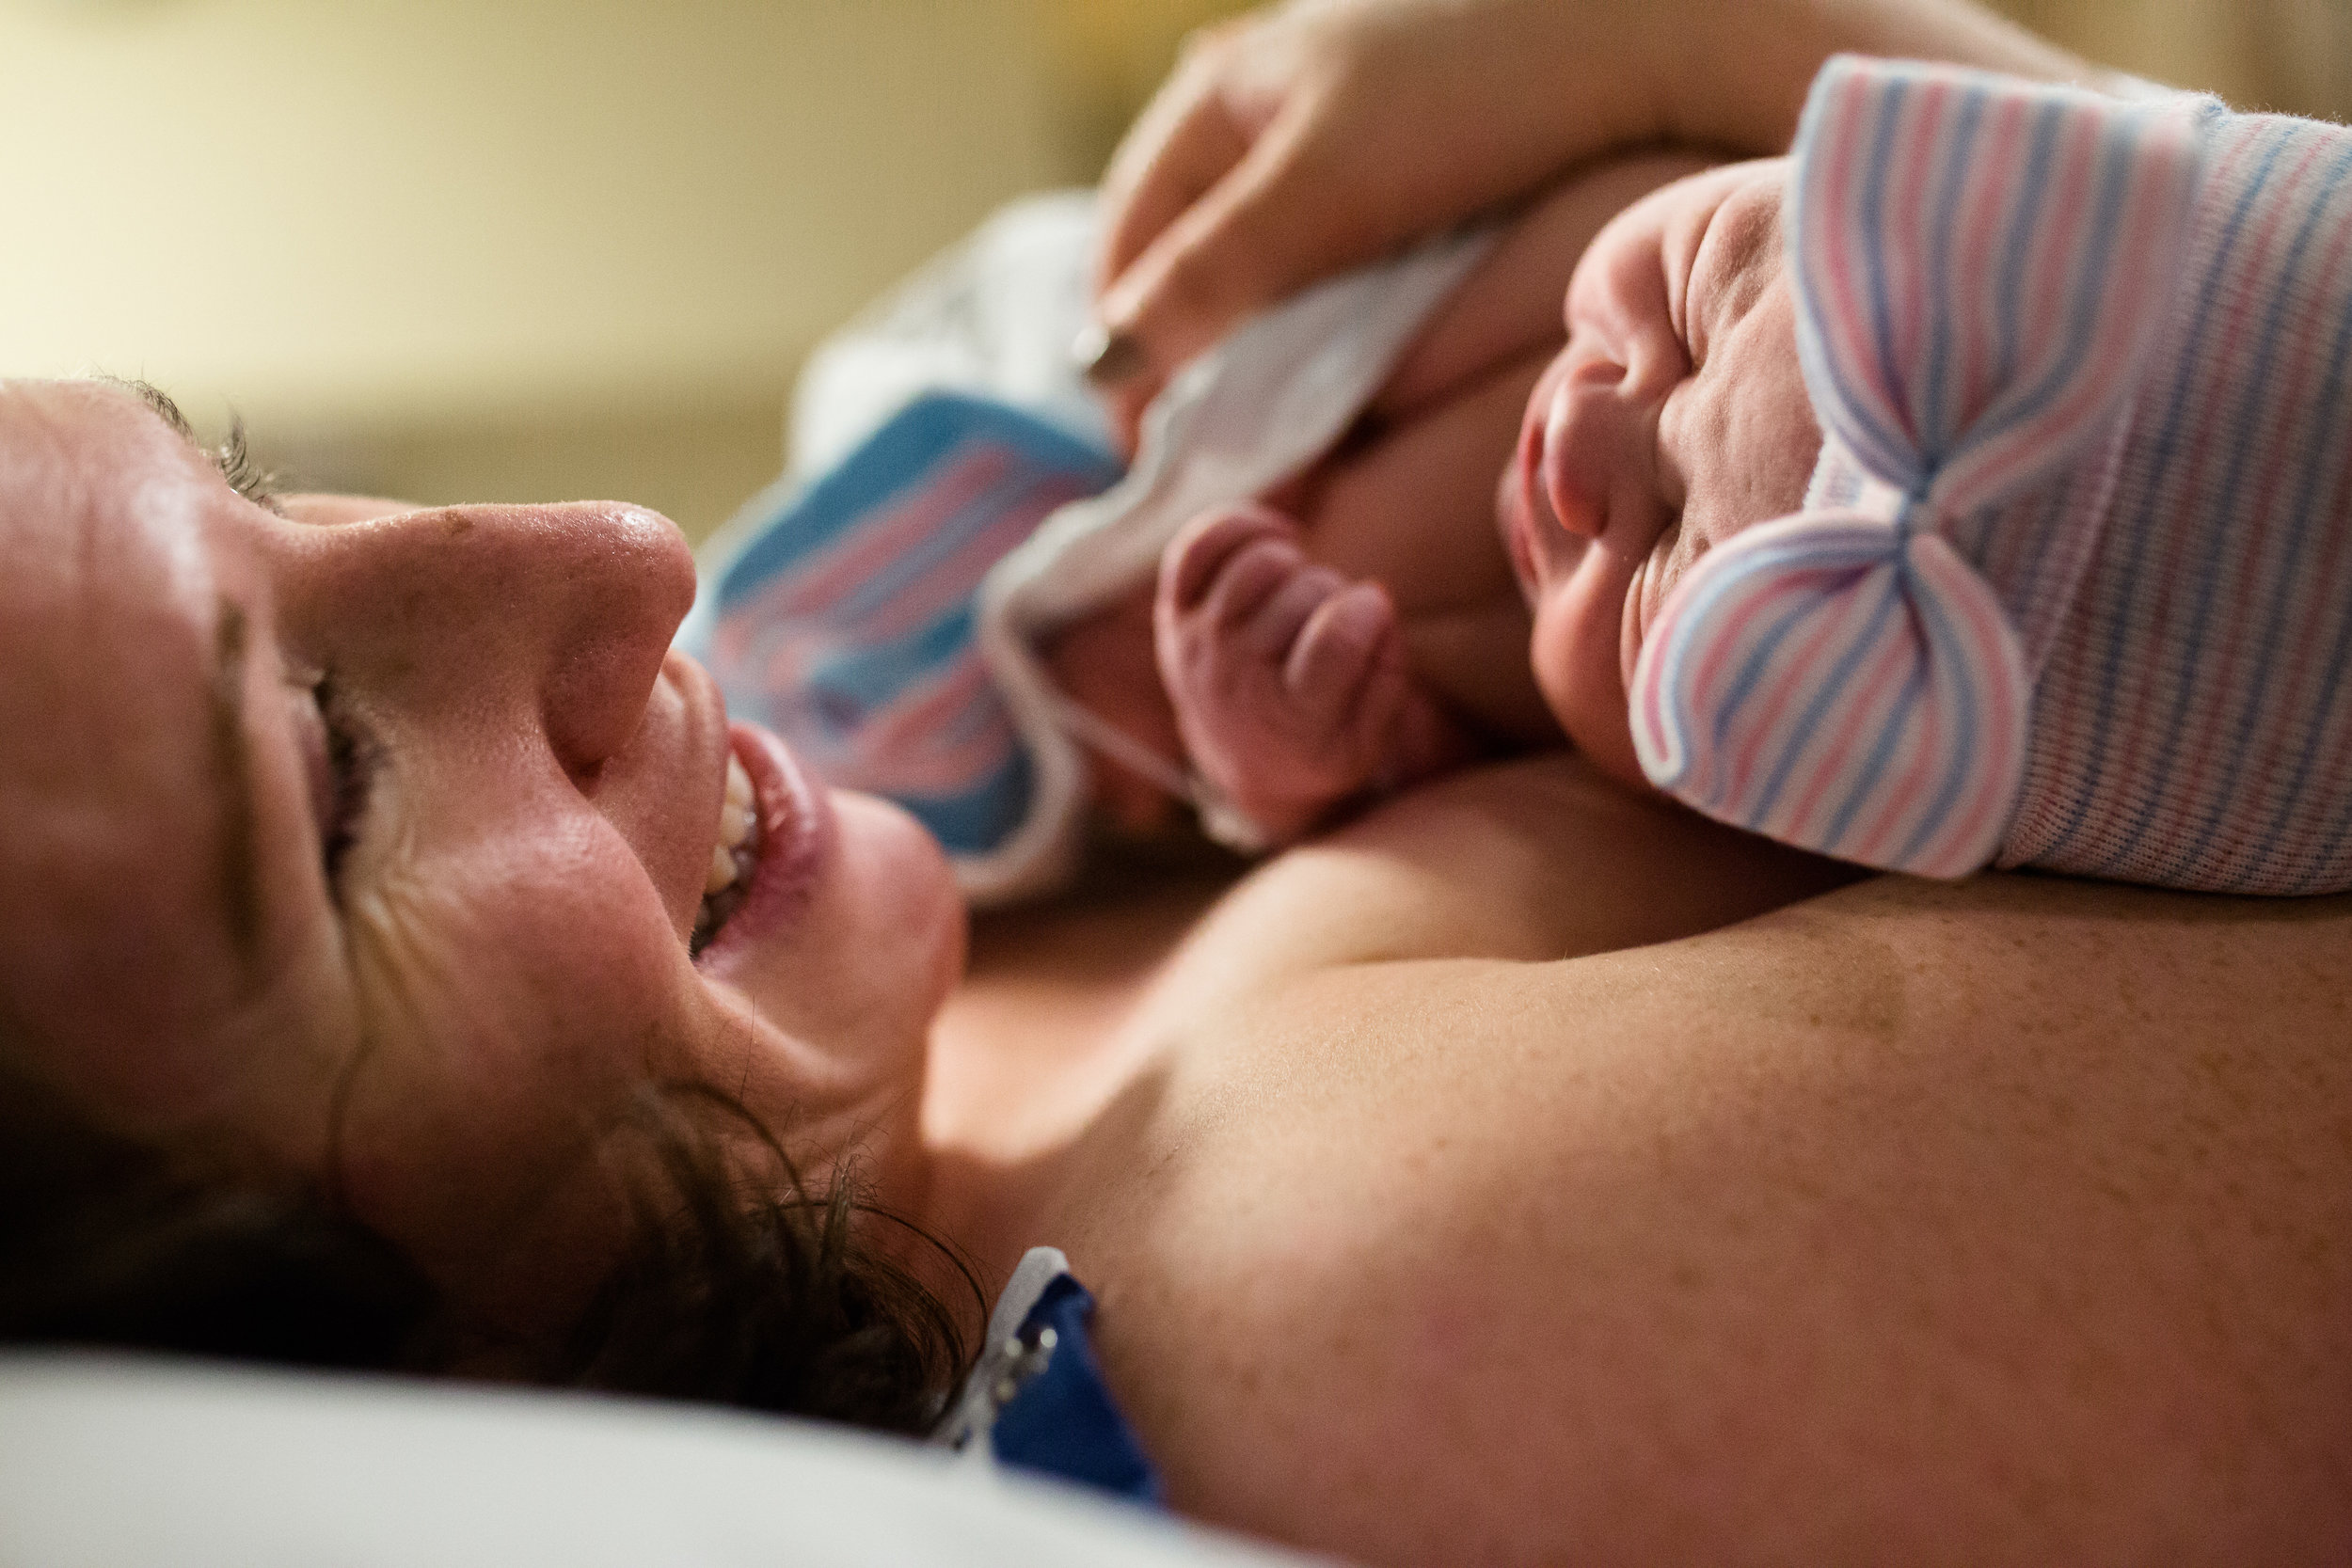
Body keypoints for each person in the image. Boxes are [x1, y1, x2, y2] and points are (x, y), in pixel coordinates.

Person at [0, 3, 2345, 1563]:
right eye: (330, 785)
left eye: (251, 476)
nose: (623, 555)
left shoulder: (957, 863)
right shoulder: (1363, 1315)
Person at [1155, 55, 2352, 895]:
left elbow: (1372, 801)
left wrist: (1278, 760)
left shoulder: (1592, 778)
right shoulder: (1628, 142)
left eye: (1665, 573)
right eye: (1697, 295)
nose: (1577, 446)